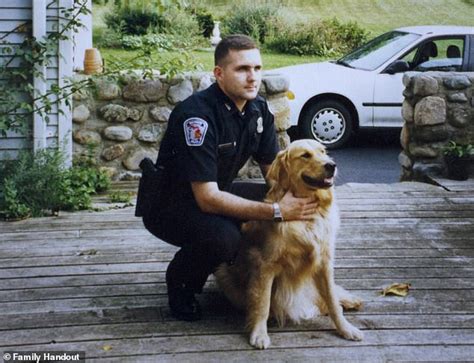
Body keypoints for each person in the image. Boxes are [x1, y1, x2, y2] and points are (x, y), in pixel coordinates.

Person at [142, 34, 318, 321]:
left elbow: (273, 174)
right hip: (171, 206)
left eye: (257, 69)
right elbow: (207, 199)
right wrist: (276, 211)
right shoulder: (197, 116)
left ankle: (265, 274)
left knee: (291, 201)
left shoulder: (257, 109)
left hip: (215, 191)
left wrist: (295, 198)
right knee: (224, 238)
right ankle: (181, 283)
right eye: (242, 69)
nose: (253, 78)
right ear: (219, 74)